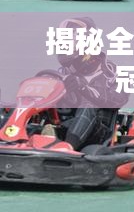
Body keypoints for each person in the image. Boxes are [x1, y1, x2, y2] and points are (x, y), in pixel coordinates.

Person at [53, 17, 128, 151]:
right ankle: (20, 137)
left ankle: (67, 148)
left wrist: (83, 88)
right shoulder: (63, 73)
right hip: (66, 123)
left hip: (98, 131)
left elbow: (117, 100)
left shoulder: (113, 72)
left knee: (88, 106)